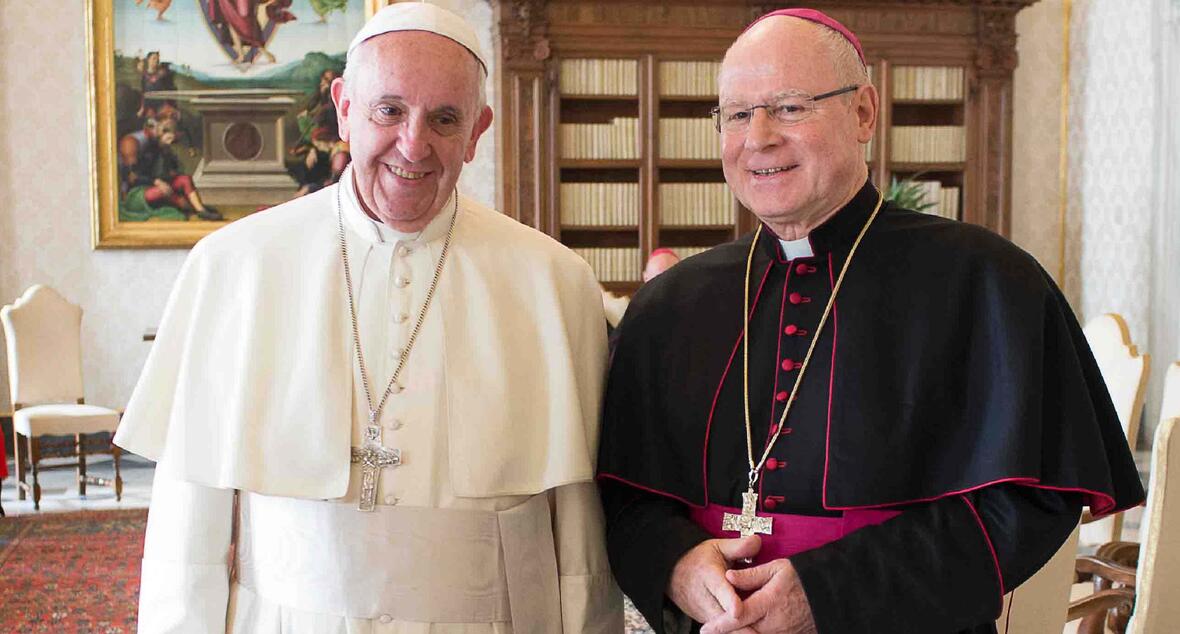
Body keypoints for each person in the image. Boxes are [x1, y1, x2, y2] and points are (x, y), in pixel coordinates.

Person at [596, 8, 1145, 634]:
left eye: (791, 107)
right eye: (738, 114)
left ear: (863, 113)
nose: (759, 137)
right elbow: (624, 495)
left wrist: (828, 593)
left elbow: (1030, 500)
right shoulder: (671, 304)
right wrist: (678, 566)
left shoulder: (986, 282)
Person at [115, 4, 621, 632]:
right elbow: (187, 523)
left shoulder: (553, 281)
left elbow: (580, 535)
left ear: (479, 129)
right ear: (344, 108)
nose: (414, 144)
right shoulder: (234, 267)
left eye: (444, 119)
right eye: (389, 109)